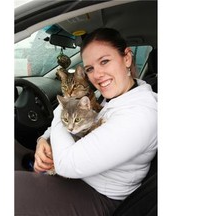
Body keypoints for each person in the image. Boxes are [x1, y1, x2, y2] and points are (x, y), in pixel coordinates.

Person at [15, 28, 157, 216]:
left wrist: (64, 107)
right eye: (90, 68)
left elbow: (67, 163)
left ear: (127, 58)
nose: (97, 75)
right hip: (81, 176)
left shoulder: (141, 114)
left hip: (101, 196)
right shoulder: (116, 95)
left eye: (104, 61)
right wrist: (42, 139)